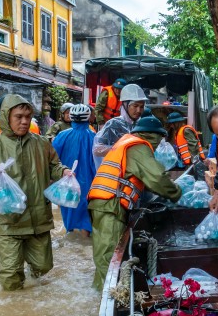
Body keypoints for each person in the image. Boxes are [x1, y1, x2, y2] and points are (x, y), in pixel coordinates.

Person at [0, 94, 72, 291]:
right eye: (19, 116)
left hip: (38, 219)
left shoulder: (42, 143)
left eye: (28, 116)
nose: (25, 121)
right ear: (6, 118)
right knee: (11, 277)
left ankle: (33, 291)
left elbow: (55, 166)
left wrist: (64, 171)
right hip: (8, 221)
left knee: (43, 267)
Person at [88, 115, 182, 289]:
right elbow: (156, 178)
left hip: (105, 205)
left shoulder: (127, 143)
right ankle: (108, 299)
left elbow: (142, 180)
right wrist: (177, 194)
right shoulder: (139, 146)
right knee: (110, 259)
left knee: (106, 256)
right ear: (152, 136)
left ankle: (101, 293)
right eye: (158, 139)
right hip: (110, 205)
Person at [51, 103, 97, 235]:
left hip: (67, 178)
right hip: (88, 181)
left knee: (68, 208)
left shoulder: (62, 136)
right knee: (86, 213)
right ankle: (84, 239)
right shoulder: (94, 137)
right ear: (88, 118)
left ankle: (69, 234)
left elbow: (53, 159)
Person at [93, 83, 148, 169]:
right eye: (135, 106)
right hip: (117, 173)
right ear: (125, 105)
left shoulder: (144, 124)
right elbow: (97, 150)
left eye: (141, 107)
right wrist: (123, 150)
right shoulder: (113, 124)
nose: (139, 110)